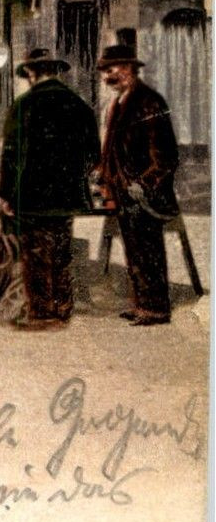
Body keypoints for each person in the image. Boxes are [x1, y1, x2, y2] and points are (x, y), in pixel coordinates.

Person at [0, 48, 101, 329]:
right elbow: (94, 155)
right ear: (55, 71)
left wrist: (6, 193)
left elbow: (11, 154)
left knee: (35, 253)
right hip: (66, 194)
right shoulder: (79, 105)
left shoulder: (24, 105)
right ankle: (63, 309)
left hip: (32, 193)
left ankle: (43, 313)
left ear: (31, 73)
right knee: (61, 249)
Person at [96, 44, 180, 326]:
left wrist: (144, 184)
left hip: (146, 195)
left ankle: (156, 308)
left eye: (113, 69)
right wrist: (103, 174)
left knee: (148, 249)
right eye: (106, 71)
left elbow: (166, 156)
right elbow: (111, 149)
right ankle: (142, 303)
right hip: (123, 190)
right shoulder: (118, 103)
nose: (108, 76)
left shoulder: (149, 102)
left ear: (130, 69)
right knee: (133, 249)